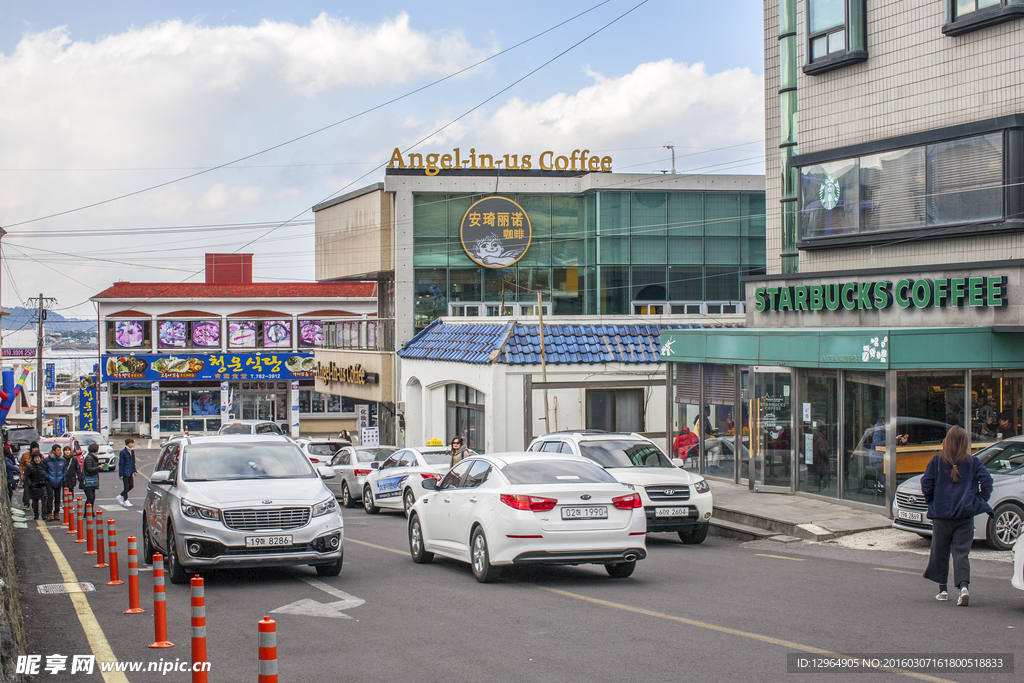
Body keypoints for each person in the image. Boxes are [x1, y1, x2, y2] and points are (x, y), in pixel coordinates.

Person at [922, 425, 994, 607]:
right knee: (961, 553)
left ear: (947, 441)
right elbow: (987, 482)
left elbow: (926, 483)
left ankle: (943, 590)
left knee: (940, 551)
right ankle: (963, 588)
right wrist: (977, 500)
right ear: (965, 443)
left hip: (941, 516)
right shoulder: (972, 462)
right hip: (964, 516)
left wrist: (932, 502)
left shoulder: (937, 461)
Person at [42, 444, 66, 521]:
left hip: (59, 481)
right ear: (53, 451)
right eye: (57, 450)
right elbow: (42, 470)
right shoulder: (47, 460)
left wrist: (63, 476)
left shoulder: (62, 460)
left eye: (60, 450)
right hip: (50, 481)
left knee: (58, 498)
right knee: (50, 498)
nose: (59, 452)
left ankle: (56, 513)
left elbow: (65, 469)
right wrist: (47, 476)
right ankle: (49, 513)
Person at [24, 451, 47, 520]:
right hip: (34, 486)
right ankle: (36, 514)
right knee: (35, 501)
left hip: (43, 485)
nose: (37, 459)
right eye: (35, 458)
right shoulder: (30, 466)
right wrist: (30, 484)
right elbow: (27, 476)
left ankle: (44, 514)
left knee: (44, 500)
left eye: (38, 458)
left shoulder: (43, 465)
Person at [117, 438, 137, 507]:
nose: (132, 444)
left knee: (131, 485)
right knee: (126, 486)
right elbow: (121, 463)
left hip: (130, 471)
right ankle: (126, 500)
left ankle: (120, 496)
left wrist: (134, 471)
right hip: (125, 472)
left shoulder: (132, 451)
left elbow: (133, 462)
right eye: (131, 443)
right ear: (127, 444)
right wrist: (121, 474)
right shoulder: (123, 452)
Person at [81, 443, 101, 508]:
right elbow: (89, 469)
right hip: (88, 480)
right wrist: (98, 468)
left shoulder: (92, 457)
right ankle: (87, 513)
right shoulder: (89, 458)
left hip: (92, 480)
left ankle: (90, 511)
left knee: (92, 497)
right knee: (90, 497)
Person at [19, 442, 38, 508]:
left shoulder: (40, 455)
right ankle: (26, 503)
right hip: (27, 475)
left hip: (36, 476)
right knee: (26, 490)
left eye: (36, 448)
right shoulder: (25, 455)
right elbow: (21, 465)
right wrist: (21, 474)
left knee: (35, 491)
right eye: (34, 448)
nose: (35, 449)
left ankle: (34, 505)